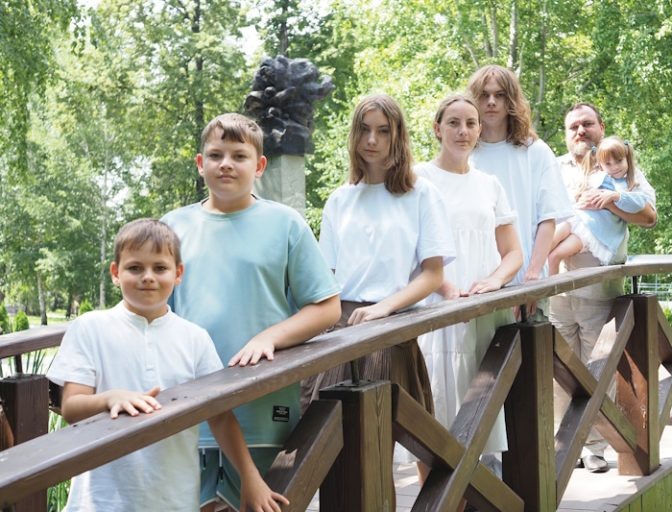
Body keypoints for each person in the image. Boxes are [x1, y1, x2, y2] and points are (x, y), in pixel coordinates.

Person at [162, 113, 341, 511]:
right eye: (216, 155)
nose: (226, 164)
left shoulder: (285, 224)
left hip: (263, 409)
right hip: (188, 410)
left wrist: (269, 337)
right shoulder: (172, 228)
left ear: (259, 166)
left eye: (239, 156)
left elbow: (327, 307)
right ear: (200, 163)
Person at [46, 218, 288, 511]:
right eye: (135, 268)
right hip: (100, 501)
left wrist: (251, 477)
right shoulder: (89, 328)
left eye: (160, 268)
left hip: (174, 500)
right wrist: (110, 398)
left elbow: (221, 417)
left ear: (178, 274)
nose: (147, 277)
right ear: (115, 273)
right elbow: (72, 407)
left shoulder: (195, 338)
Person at [308, 93, 455, 484]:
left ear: (397, 135)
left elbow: (432, 274)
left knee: (395, 443)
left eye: (383, 131)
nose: (372, 140)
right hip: (340, 328)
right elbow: (326, 277)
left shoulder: (421, 194)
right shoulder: (341, 199)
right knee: (338, 451)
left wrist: (385, 308)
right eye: (364, 130)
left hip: (391, 325)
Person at [414, 94, 523, 475]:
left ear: (479, 130)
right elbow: (410, 248)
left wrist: (495, 280)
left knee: (485, 413)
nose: (463, 131)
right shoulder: (419, 179)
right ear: (437, 128)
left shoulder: (489, 184)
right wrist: (446, 289)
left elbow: (513, 253)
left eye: (471, 123)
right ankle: (438, 497)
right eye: (454, 123)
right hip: (438, 309)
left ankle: (482, 494)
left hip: (483, 311)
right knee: (436, 413)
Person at [550, 103, 657, 473]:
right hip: (556, 287)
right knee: (558, 371)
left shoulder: (618, 163)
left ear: (601, 126)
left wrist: (608, 202)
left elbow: (648, 216)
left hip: (599, 286)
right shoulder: (555, 168)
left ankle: (595, 447)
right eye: (573, 127)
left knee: (598, 369)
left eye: (587, 124)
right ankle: (564, 446)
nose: (580, 131)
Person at [467, 64, 572, 314]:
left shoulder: (535, 151)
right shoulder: (466, 153)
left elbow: (548, 218)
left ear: (511, 100)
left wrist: (533, 276)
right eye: (484, 95)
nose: (491, 102)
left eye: (499, 95)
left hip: (524, 283)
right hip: (475, 287)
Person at [548, 136, 653, 274]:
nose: (615, 167)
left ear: (627, 158)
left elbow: (640, 203)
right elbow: (579, 195)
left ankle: (547, 286)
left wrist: (616, 197)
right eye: (608, 164)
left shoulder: (628, 183)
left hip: (593, 232)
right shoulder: (598, 176)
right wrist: (585, 197)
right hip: (578, 218)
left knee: (555, 256)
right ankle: (533, 276)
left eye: (619, 161)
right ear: (601, 165)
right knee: (548, 245)